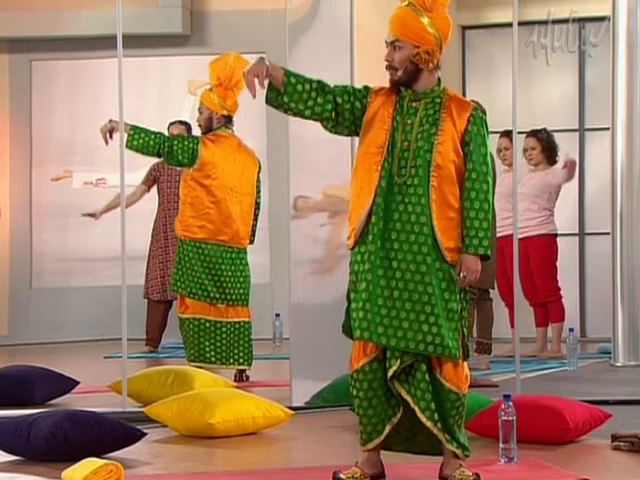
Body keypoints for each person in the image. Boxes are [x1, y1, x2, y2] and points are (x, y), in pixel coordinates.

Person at [244, 0, 493, 477]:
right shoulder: (375, 104)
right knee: (370, 353)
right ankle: (369, 461)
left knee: (443, 355)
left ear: (423, 53)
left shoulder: (464, 115)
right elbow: (327, 100)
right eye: (387, 46)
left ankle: (452, 463)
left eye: (395, 47)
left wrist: (474, 249)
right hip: (377, 256)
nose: (386, 57)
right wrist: (273, 72)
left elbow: (479, 186)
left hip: (434, 259)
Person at [99, 52, 261, 383]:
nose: (198, 119)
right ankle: (240, 366)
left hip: (199, 244)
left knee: (194, 304)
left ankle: (201, 367)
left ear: (216, 114)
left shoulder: (201, 148)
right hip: (234, 247)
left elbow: (161, 145)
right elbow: (254, 202)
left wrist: (120, 126)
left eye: (201, 112)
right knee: (233, 303)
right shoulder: (249, 156)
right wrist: (247, 236)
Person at [79, 120, 191, 353]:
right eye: (170, 137)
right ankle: (152, 343)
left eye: (178, 137)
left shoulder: (198, 166)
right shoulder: (160, 168)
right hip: (164, 233)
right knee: (159, 285)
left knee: (193, 290)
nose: (173, 142)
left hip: (192, 233)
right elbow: (136, 194)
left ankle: (199, 344)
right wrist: (103, 211)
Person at [494, 129, 576, 359]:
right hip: (522, 237)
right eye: (526, 150)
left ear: (545, 149)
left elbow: (566, 175)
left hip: (542, 235)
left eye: (533, 149)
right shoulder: (526, 176)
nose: (528, 153)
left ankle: (556, 345)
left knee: (549, 289)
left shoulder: (552, 174)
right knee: (532, 292)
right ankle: (540, 344)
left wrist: (570, 165)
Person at [467, 101, 497, 372]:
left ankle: (466, 354)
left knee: (470, 294)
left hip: (474, 231)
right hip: (483, 229)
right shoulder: (482, 153)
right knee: (479, 296)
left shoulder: (477, 155)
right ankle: (478, 354)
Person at [291, 184, 350, 275]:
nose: (307, 205)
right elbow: (334, 238)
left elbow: (346, 200)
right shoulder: (334, 215)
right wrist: (328, 264)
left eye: (306, 202)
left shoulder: (328, 192)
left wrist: (314, 207)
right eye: (303, 208)